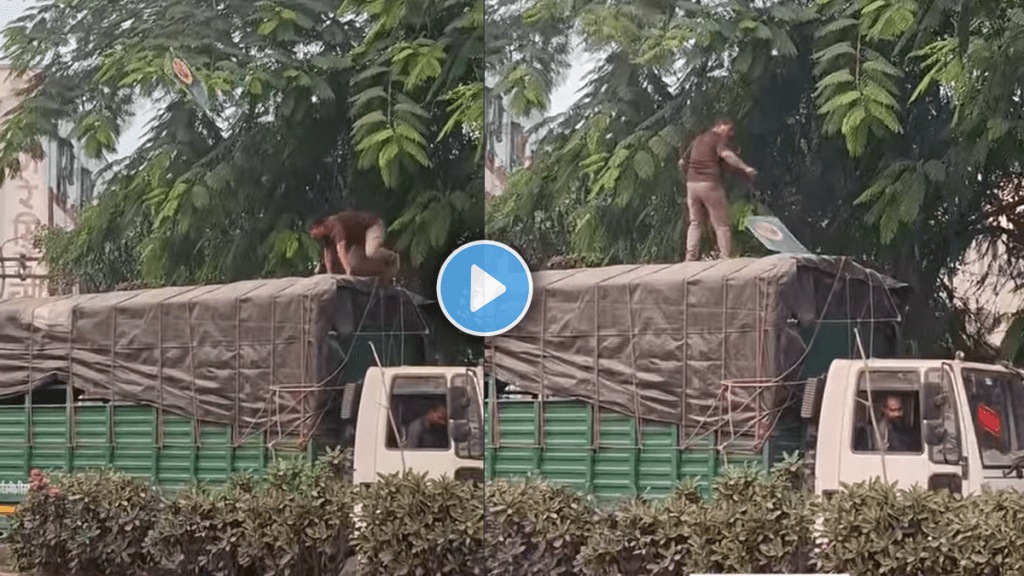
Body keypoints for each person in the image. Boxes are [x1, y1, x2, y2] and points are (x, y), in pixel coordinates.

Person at [678, 119, 758, 261]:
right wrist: (746, 168)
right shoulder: (717, 138)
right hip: (710, 184)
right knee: (721, 223)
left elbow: (682, 162)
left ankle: (690, 257)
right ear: (720, 126)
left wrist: (691, 176)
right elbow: (726, 155)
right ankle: (725, 257)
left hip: (691, 185)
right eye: (729, 129)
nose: (731, 133)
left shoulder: (698, 139)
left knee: (695, 222)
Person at [309, 210, 400, 281]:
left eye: (313, 231)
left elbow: (341, 249)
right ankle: (381, 270)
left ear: (320, 226)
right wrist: (330, 274)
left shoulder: (335, 224)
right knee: (355, 265)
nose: (312, 235)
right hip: (359, 240)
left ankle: (392, 257)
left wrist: (348, 271)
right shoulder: (325, 236)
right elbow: (327, 254)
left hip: (372, 227)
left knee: (371, 252)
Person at [855, 394, 920, 452]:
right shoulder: (873, 431)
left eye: (899, 409)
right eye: (893, 410)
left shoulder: (908, 430)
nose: (897, 414)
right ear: (884, 409)